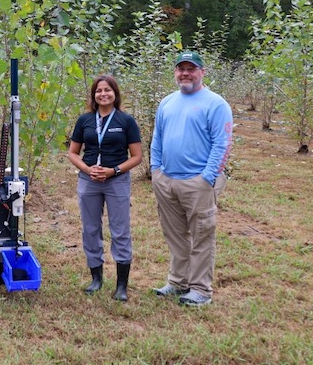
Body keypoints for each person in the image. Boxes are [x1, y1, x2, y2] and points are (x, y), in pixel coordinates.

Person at [151, 51, 232, 307]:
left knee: (201, 236)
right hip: (167, 180)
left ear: (202, 72)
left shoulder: (215, 104)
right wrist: (156, 170)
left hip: (198, 183)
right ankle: (177, 282)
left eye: (191, 68)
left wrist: (207, 177)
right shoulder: (167, 102)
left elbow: (222, 143)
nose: (185, 73)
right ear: (175, 72)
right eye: (180, 68)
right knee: (175, 235)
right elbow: (158, 138)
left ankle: (200, 290)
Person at [68, 75, 142, 302]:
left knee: (120, 230)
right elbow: (72, 152)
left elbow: (137, 156)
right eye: (99, 91)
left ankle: (121, 285)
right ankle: (96, 278)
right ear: (94, 95)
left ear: (115, 94)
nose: (103, 94)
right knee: (90, 228)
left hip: (116, 180)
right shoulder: (85, 120)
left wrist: (114, 171)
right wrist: (88, 170)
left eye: (107, 90)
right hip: (89, 180)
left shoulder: (125, 121)